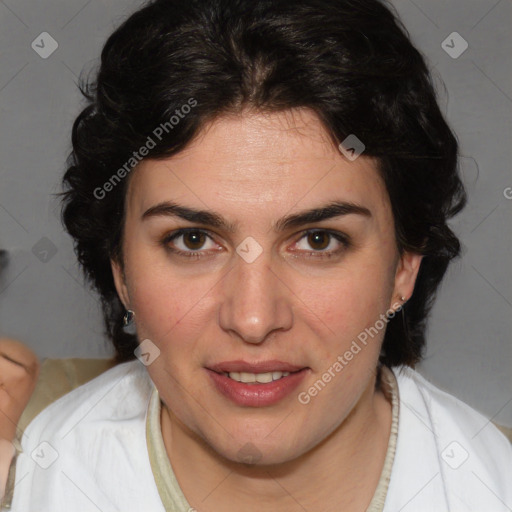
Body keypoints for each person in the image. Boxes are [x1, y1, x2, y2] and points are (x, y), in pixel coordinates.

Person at [5, 0, 512, 510]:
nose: (252, 318)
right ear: (120, 267)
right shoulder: (34, 476)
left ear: (405, 264)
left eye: (318, 240)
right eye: (193, 240)